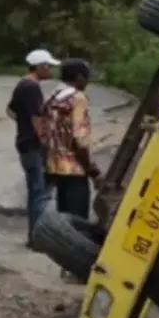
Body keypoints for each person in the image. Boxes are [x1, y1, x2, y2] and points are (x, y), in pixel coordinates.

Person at [7, 48, 59, 245]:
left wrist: (23, 124)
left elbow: (10, 110)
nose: (51, 70)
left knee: (36, 189)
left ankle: (35, 235)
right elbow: (37, 118)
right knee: (38, 192)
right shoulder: (32, 87)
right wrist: (45, 141)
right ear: (40, 67)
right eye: (49, 66)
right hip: (33, 145)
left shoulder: (22, 84)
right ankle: (37, 237)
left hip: (24, 141)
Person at [41, 58, 102, 220]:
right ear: (79, 77)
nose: (88, 82)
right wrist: (92, 170)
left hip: (54, 165)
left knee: (64, 216)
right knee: (77, 218)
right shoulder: (77, 98)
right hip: (74, 168)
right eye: (87, 77)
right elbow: (79, 140)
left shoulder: (54, 96)